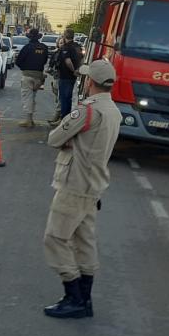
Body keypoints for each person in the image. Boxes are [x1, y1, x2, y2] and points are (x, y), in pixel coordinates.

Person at [42, 59, 121, 319]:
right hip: (95, 184)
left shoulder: (87, 111)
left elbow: (54, 139)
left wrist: (71, 142)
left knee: (55, 238)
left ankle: (73, 295)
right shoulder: (114, 112)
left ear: (90, 82)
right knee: (84, 241)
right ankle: (85, 299)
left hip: (75, 184)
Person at [15, 28, 49, 128]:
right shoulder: (44, 47)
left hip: (27, 75)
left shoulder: (27, 47)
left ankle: (28, 120)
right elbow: (45, 61)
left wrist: (24, 68)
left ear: (29, 37)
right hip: (39, 76)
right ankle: (31, 119)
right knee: (33, 97)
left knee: (27, 98)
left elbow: (18, 61)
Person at [56, 29, 82, 120]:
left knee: (64, 98)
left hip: (66, 76)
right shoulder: (77, 46)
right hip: (72, 77)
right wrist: (78, 70)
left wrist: (73, 70)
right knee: (68, 98)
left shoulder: (66, 47)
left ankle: (63, 119)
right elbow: (81, 59)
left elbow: (68, 61)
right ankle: (65, 118)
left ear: (65, 35)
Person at [47, 36, 65, 123]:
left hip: (63, 78)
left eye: (63, 43)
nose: (62, 44)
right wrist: (50, 69)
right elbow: (51, 64)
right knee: (56, 94)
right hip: (56, 76)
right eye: (60, 43)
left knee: (61, 97)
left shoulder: (66, 53)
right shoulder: (56, 53)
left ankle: (58, 116)